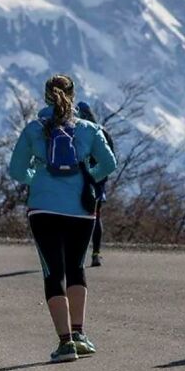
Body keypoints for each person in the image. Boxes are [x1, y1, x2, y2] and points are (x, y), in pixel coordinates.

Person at [9, 74, 117, 362]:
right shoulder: (90, 129)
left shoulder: (34, 129)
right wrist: (88, 177)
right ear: (73, 93)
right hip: (82, 209)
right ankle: (80, 335)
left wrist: (37, 178)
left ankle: (65, 343)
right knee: (76, 267)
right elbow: (109, 164)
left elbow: (17, 170)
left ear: (46, 96)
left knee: (52, 272)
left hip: (43, 208)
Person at [76, 101, 115, 268]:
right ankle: (96, 253)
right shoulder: (102, 132)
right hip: (98, 180)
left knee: (75, 216)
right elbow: (110, 159)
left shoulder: (77, 131)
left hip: (78, 178)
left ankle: (75, 254)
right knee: (95, 216)